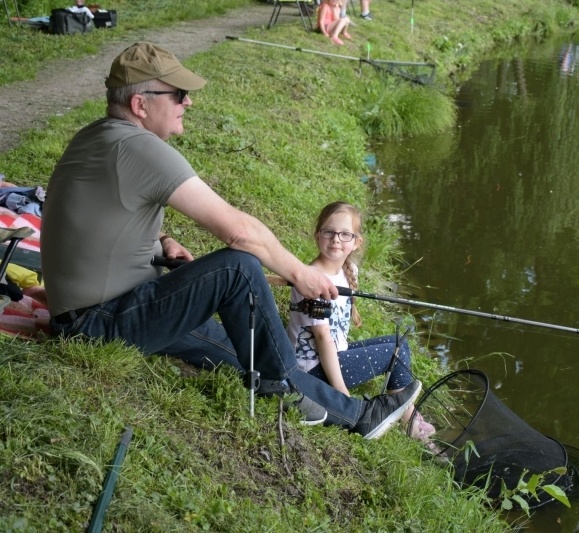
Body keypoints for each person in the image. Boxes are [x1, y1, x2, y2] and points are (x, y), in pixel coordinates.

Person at [40, 42, 421, 440]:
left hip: (106, 308)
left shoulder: (99, 136)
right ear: (140, 104)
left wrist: (164, 240)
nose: (188, 103)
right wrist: (299, 274)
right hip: (100, 321)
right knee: (238, 268)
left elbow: (106, 211)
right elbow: (239, 232)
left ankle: (353, 414)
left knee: (249, 353)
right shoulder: (139, 148)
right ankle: (293, 390)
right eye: (178, 94)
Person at [287, 202, 435, 439]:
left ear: (356, 242)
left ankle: (405, 413)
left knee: (400, 344)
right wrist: (341, 394)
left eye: (345, 234)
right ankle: (410, 424)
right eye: (329, 232)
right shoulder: (312, 281)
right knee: (392, 355)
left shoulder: (350, 269)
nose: (336, 239)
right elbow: (323, 338)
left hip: (334, 355)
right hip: (311, 371)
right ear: (317, 236)